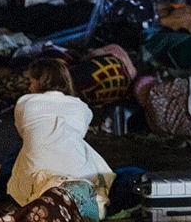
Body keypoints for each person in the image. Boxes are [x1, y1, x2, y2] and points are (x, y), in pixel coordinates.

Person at [7, 59, 114, 209]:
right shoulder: (82, 107)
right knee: (80, 146)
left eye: (31, 82)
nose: (30, 87)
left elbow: (25, 133)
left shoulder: (25, 103)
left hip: (35, 182)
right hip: (80, 177)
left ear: (40, 81)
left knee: (21, 152)